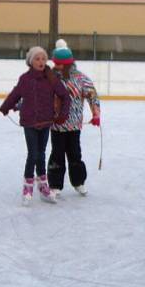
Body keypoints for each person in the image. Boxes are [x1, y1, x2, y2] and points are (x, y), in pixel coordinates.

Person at [0, 46, 69, 205]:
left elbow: (65, 96)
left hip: (45, 121)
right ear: (31, 61)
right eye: (37, 59)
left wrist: (63, 114)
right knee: (33, 154)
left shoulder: (50, 78)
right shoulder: (25, 79)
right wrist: (5, 107)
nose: (41, 62)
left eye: (43, 58)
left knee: (41, 153)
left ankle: (43, 186)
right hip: (30, 122)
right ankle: (28, 186)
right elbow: (15, 94)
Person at [47, 39, 100, 197]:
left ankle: (78, 182)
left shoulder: (80, 78)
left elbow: (92, 96)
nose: (58, 67)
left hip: (74, 125)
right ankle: (55, 184)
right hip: (56, 125)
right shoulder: (50, 78)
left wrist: (96, 113)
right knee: (57, 154)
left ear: (69, 63)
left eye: (61, 64)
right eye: (56, 63)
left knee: (75, 154)